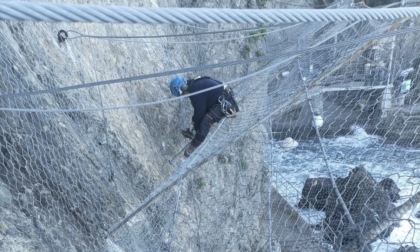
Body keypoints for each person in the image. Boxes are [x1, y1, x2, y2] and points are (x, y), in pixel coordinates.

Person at [169, 76, 239, 157]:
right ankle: (196, 134)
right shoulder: (195, 84)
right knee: (202, 120)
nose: (183, 95)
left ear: (183, 88)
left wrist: (196, 127)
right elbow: (201, 108)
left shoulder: (195, 91)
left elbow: (200, 111)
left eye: (181, 93)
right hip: (223, 98)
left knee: (206, 121)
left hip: (226, 102)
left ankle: (193, 147)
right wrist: (195, 126)